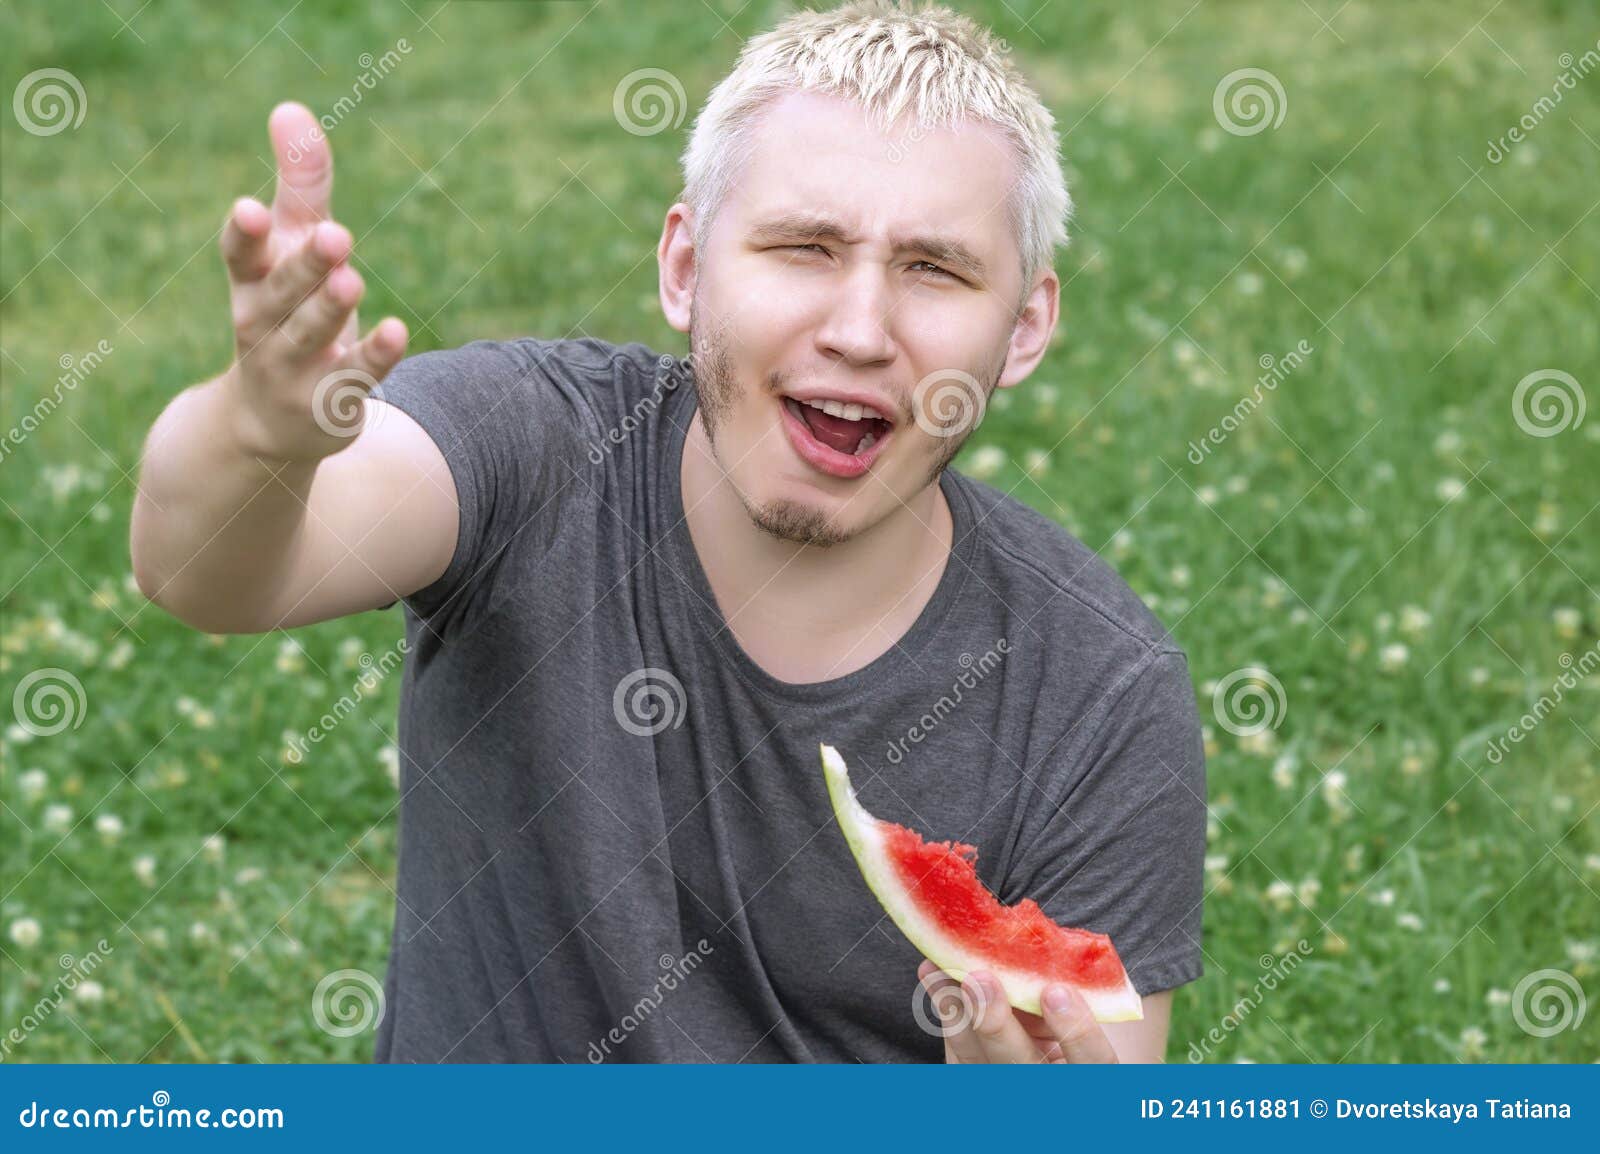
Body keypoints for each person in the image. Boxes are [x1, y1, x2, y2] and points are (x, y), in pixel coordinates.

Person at [130, 0, 1205, 1063]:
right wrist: (256, 435)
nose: (859, 329)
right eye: (803, 247)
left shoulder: (1099, 688)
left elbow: (1102, 1079)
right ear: (685, 267)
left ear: (1022, 329)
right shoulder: (535, 449)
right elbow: (203, 574)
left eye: (934, 269)